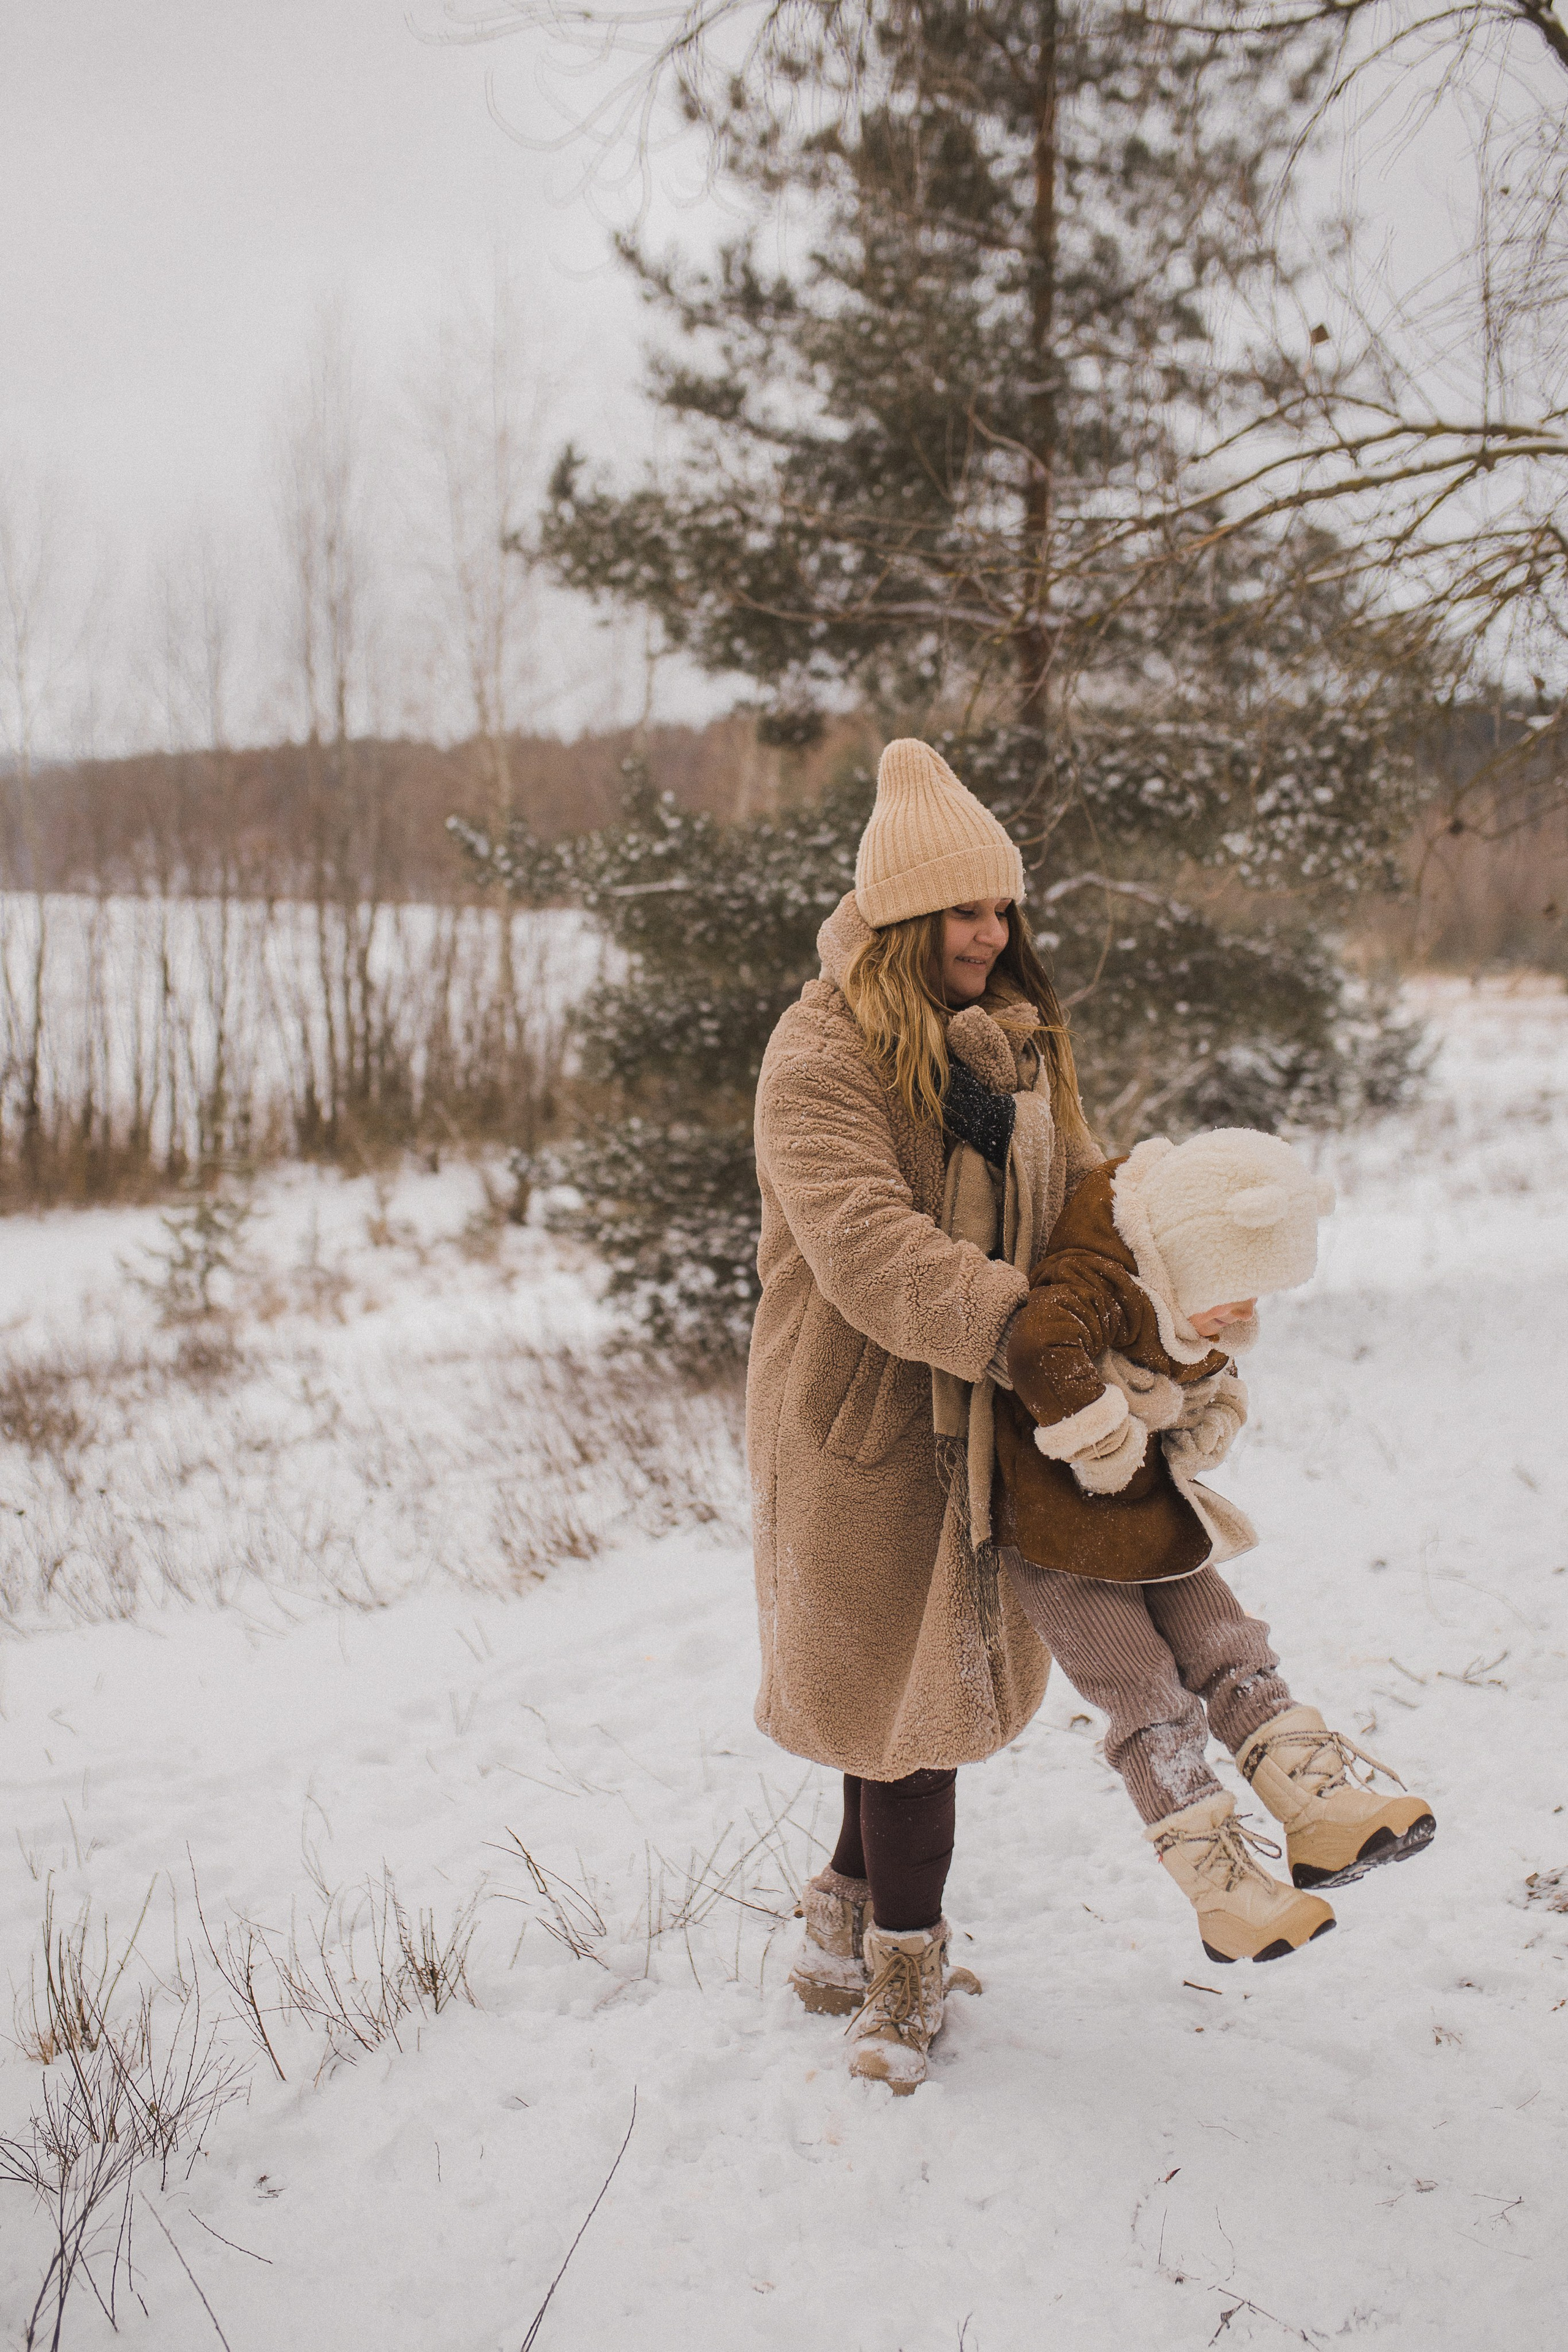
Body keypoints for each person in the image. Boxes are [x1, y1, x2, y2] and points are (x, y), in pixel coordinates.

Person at [748, 736, 1101, 2092]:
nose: (990, 930)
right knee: (908, 1707)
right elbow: (863, 1244)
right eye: (964, 908)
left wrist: (1158, 1277)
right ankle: (902, 1973)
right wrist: (1023, 1330)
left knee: (898, 1704)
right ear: (900, 915)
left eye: (1002, 906)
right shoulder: (818, 1050)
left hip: (976, 1411)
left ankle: (839, 1916)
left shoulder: (1006, 1046)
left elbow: (1078, 1194)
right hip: (855, 1421)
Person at [997, 1126, 1436, 1965]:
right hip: (1059, 1536)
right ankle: (1221, 1889)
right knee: (1148, 1698)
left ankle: (1318, 1812)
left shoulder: (1180, 1298)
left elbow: (1208, 1369)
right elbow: (1037, 1345)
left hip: (1151, 1508)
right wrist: (1093, 1430)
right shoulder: (1101, 1282)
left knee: (1231, 1646)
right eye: (1233, 1296)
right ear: (1187, 1257)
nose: (1242, 1318)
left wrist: (1208, 1414)